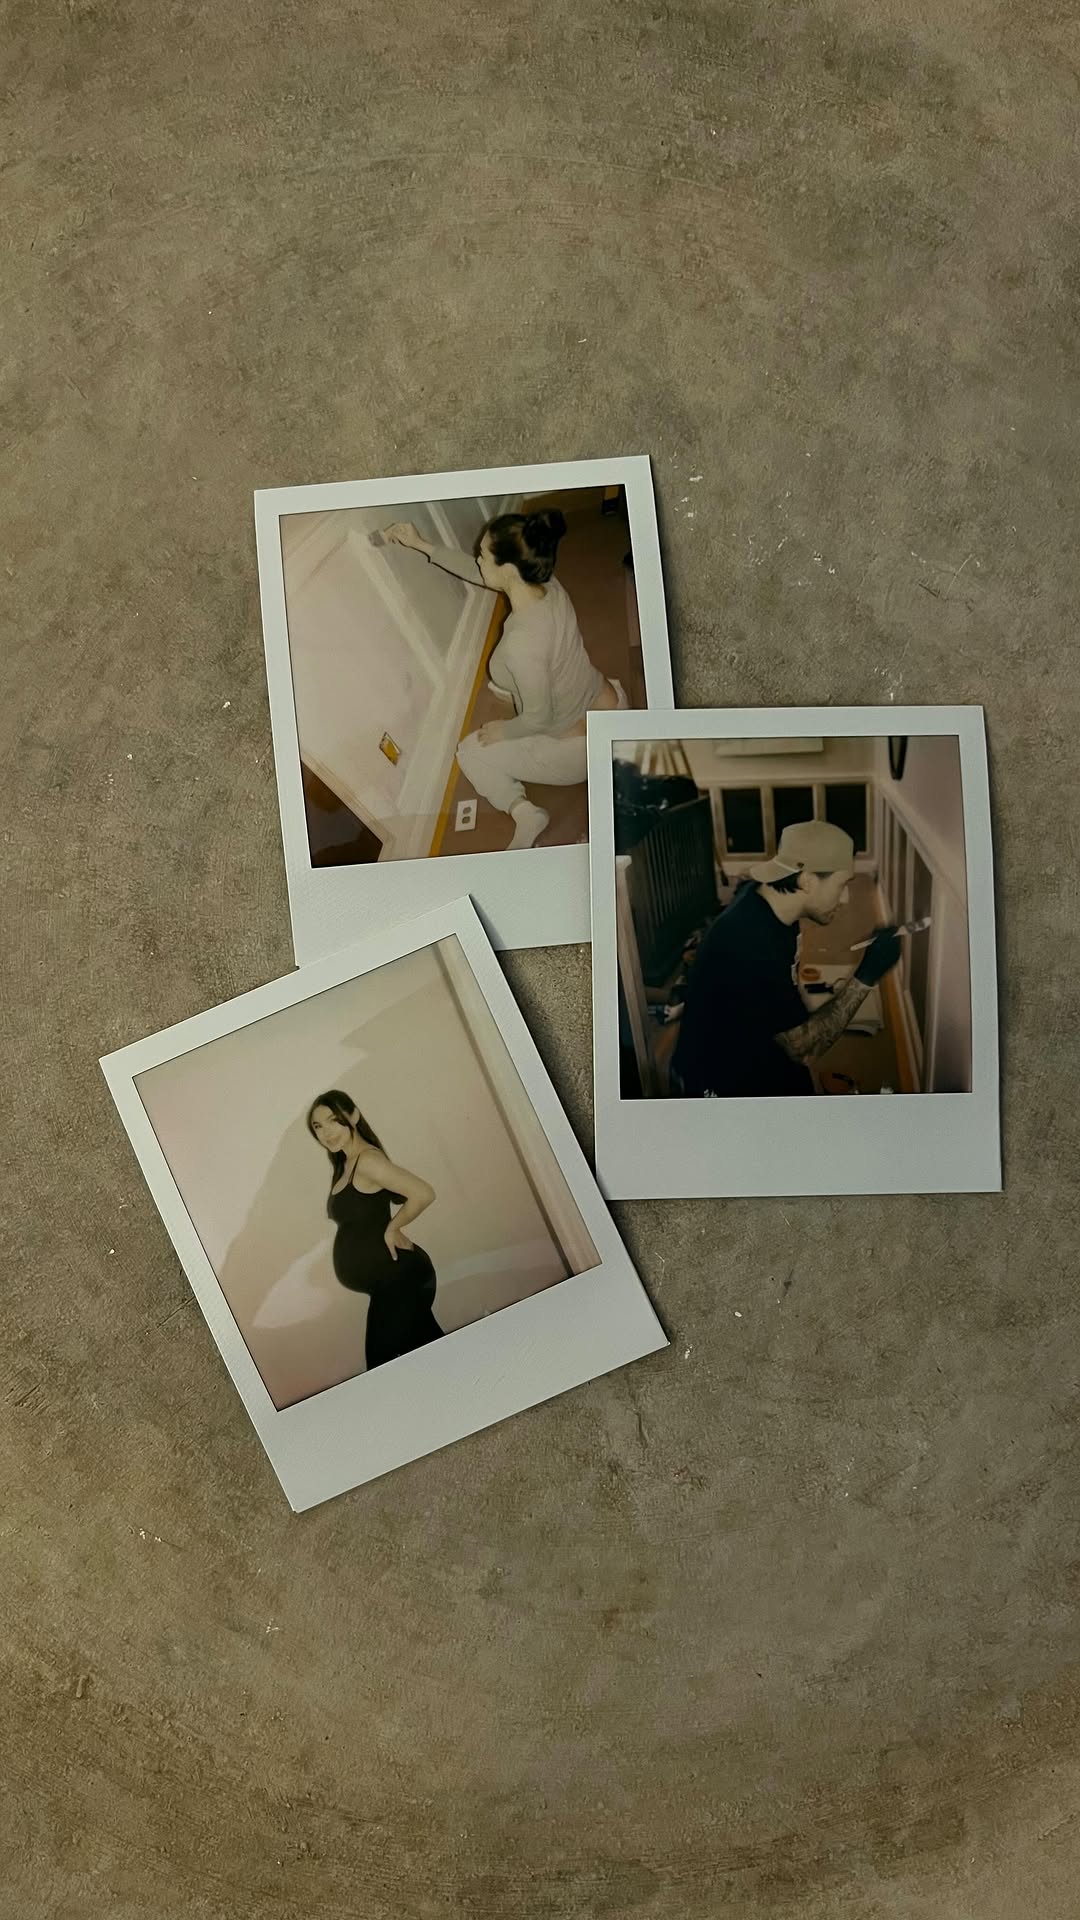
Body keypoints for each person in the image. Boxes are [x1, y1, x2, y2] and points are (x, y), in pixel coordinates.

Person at [384, 509, 628, 849]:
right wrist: (421, 544)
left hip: (581, 750)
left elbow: (539, 717)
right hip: (612, 704)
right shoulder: (545, 583)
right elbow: (479, 573)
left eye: (483, 555)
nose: (478, 559)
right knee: (515, 678)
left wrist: (504, 730)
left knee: (469, 751)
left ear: (508, 569)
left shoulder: (522, 644)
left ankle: (526, 813)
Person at [669, 820, 902, 1097]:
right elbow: (803, 1047)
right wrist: (867, 975)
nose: (845, 898)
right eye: (842, 885)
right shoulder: (751, 944)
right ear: (806, 880)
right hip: (719, 1086)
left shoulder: (770, 902)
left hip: (750, 1044)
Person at [306, 1090, 445, 1370]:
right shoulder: (345, 1163)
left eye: (333, 1120)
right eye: (318, 1126)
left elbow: (423, 1193)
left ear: (354, 1115)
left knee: (383, 1368)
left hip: (400, 1280)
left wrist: (393, 1227)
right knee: (433, 1357)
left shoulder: (368, 1161)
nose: (326, 1132)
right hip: (388, 1283)